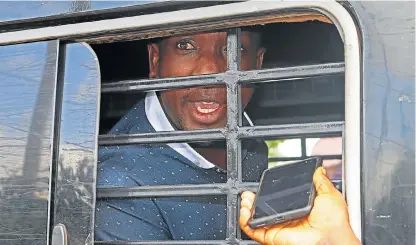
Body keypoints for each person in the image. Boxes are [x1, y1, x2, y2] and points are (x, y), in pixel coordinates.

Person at [95, 28, 361, 245]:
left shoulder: (248, 135)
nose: (211, 72)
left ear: (257, 64)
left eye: (234, 49)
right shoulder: (119, 185)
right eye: (186, 46)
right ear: (155, 60)